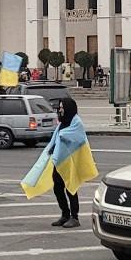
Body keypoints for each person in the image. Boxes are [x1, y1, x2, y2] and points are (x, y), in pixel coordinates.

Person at [50, 98, 85, 228]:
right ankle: (65, 214)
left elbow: (79, 138)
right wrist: (53, 148)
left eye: (62, 107)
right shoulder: (63, 123)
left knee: (71, 188)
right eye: (59, 108)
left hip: (70, 161)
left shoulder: (76, 122)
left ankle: (74, 217)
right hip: (59, 161)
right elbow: (57, 138)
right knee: (57, 188)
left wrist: (63, 136)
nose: (60, 110)